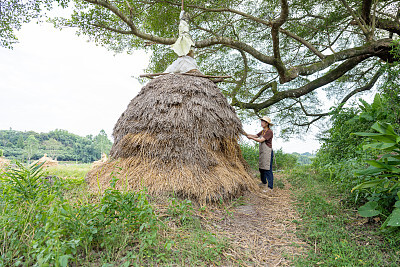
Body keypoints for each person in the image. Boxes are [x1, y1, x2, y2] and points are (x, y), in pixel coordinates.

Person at [246, 116, 274, 192]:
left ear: (267, 123)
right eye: (261, 122)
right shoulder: (262, 131)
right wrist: (246, 134)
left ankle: (270, 187)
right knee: (261, 168)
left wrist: (251, 138)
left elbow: (261, 140)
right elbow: (256, 135)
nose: (261, 123)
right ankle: (263, 182)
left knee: (267, 169)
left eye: (263, 122)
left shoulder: (269, 132)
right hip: (262, 152)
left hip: (267, 152)